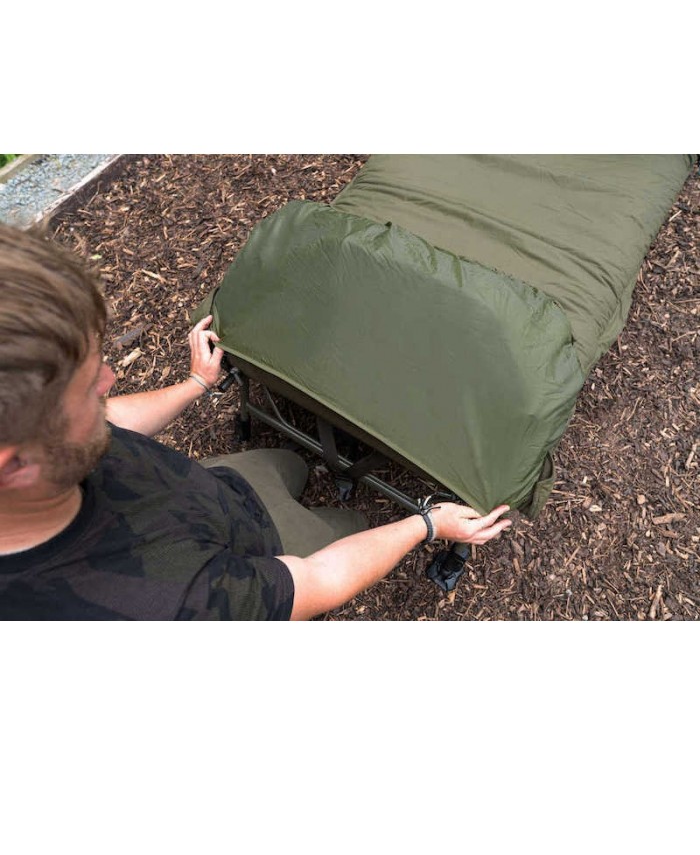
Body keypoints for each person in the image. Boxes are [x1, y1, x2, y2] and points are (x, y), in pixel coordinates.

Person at [0, 226, 512, 620]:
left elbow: (113, 421)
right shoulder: (171, 603)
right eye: (87, 387)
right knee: (346, 526)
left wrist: (195, 384)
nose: (110, 381)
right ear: (14, 463)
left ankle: (292, 475)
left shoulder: (42, 446)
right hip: (265, 551)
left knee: (286, 463)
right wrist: (427, 524)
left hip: (220, 487)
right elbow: (319, 580)